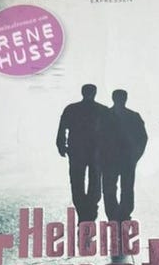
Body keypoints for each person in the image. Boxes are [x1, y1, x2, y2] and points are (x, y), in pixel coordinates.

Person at [56, 84, 108, 223]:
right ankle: (90, 208)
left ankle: (83, 208)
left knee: (77, 180)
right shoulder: (102, 110)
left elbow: (62, 129)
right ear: (95, 93)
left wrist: (61, 145)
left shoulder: (71, 109)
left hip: (77, 150)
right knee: (94, 179)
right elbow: (110, 133)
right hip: (95, 150)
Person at [101, 89, 148, 223]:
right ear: (125, 99)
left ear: (113, 98)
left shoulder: (105, 116)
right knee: (127, 187)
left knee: (109, 188)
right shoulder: (134, 116)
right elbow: (142, 138)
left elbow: (98, 137)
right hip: (127, 159)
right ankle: (124, 213)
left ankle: (113, 214)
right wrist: (136, 155)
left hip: (110, 159)